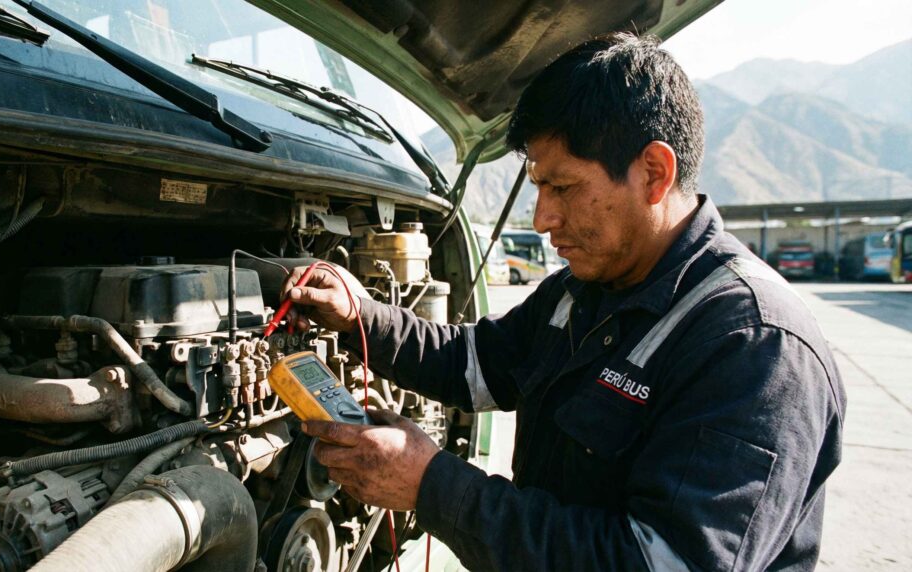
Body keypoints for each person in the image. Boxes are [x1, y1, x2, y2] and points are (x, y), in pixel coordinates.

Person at [282, 33, 845, 571]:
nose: (543, 219)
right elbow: (477, 362)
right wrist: (361, 313)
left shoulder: (755, 344)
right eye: (537, 188)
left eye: (564, 187)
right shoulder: (582, 288)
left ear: (654, 172)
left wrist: (434, 486)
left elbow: (660, 563)